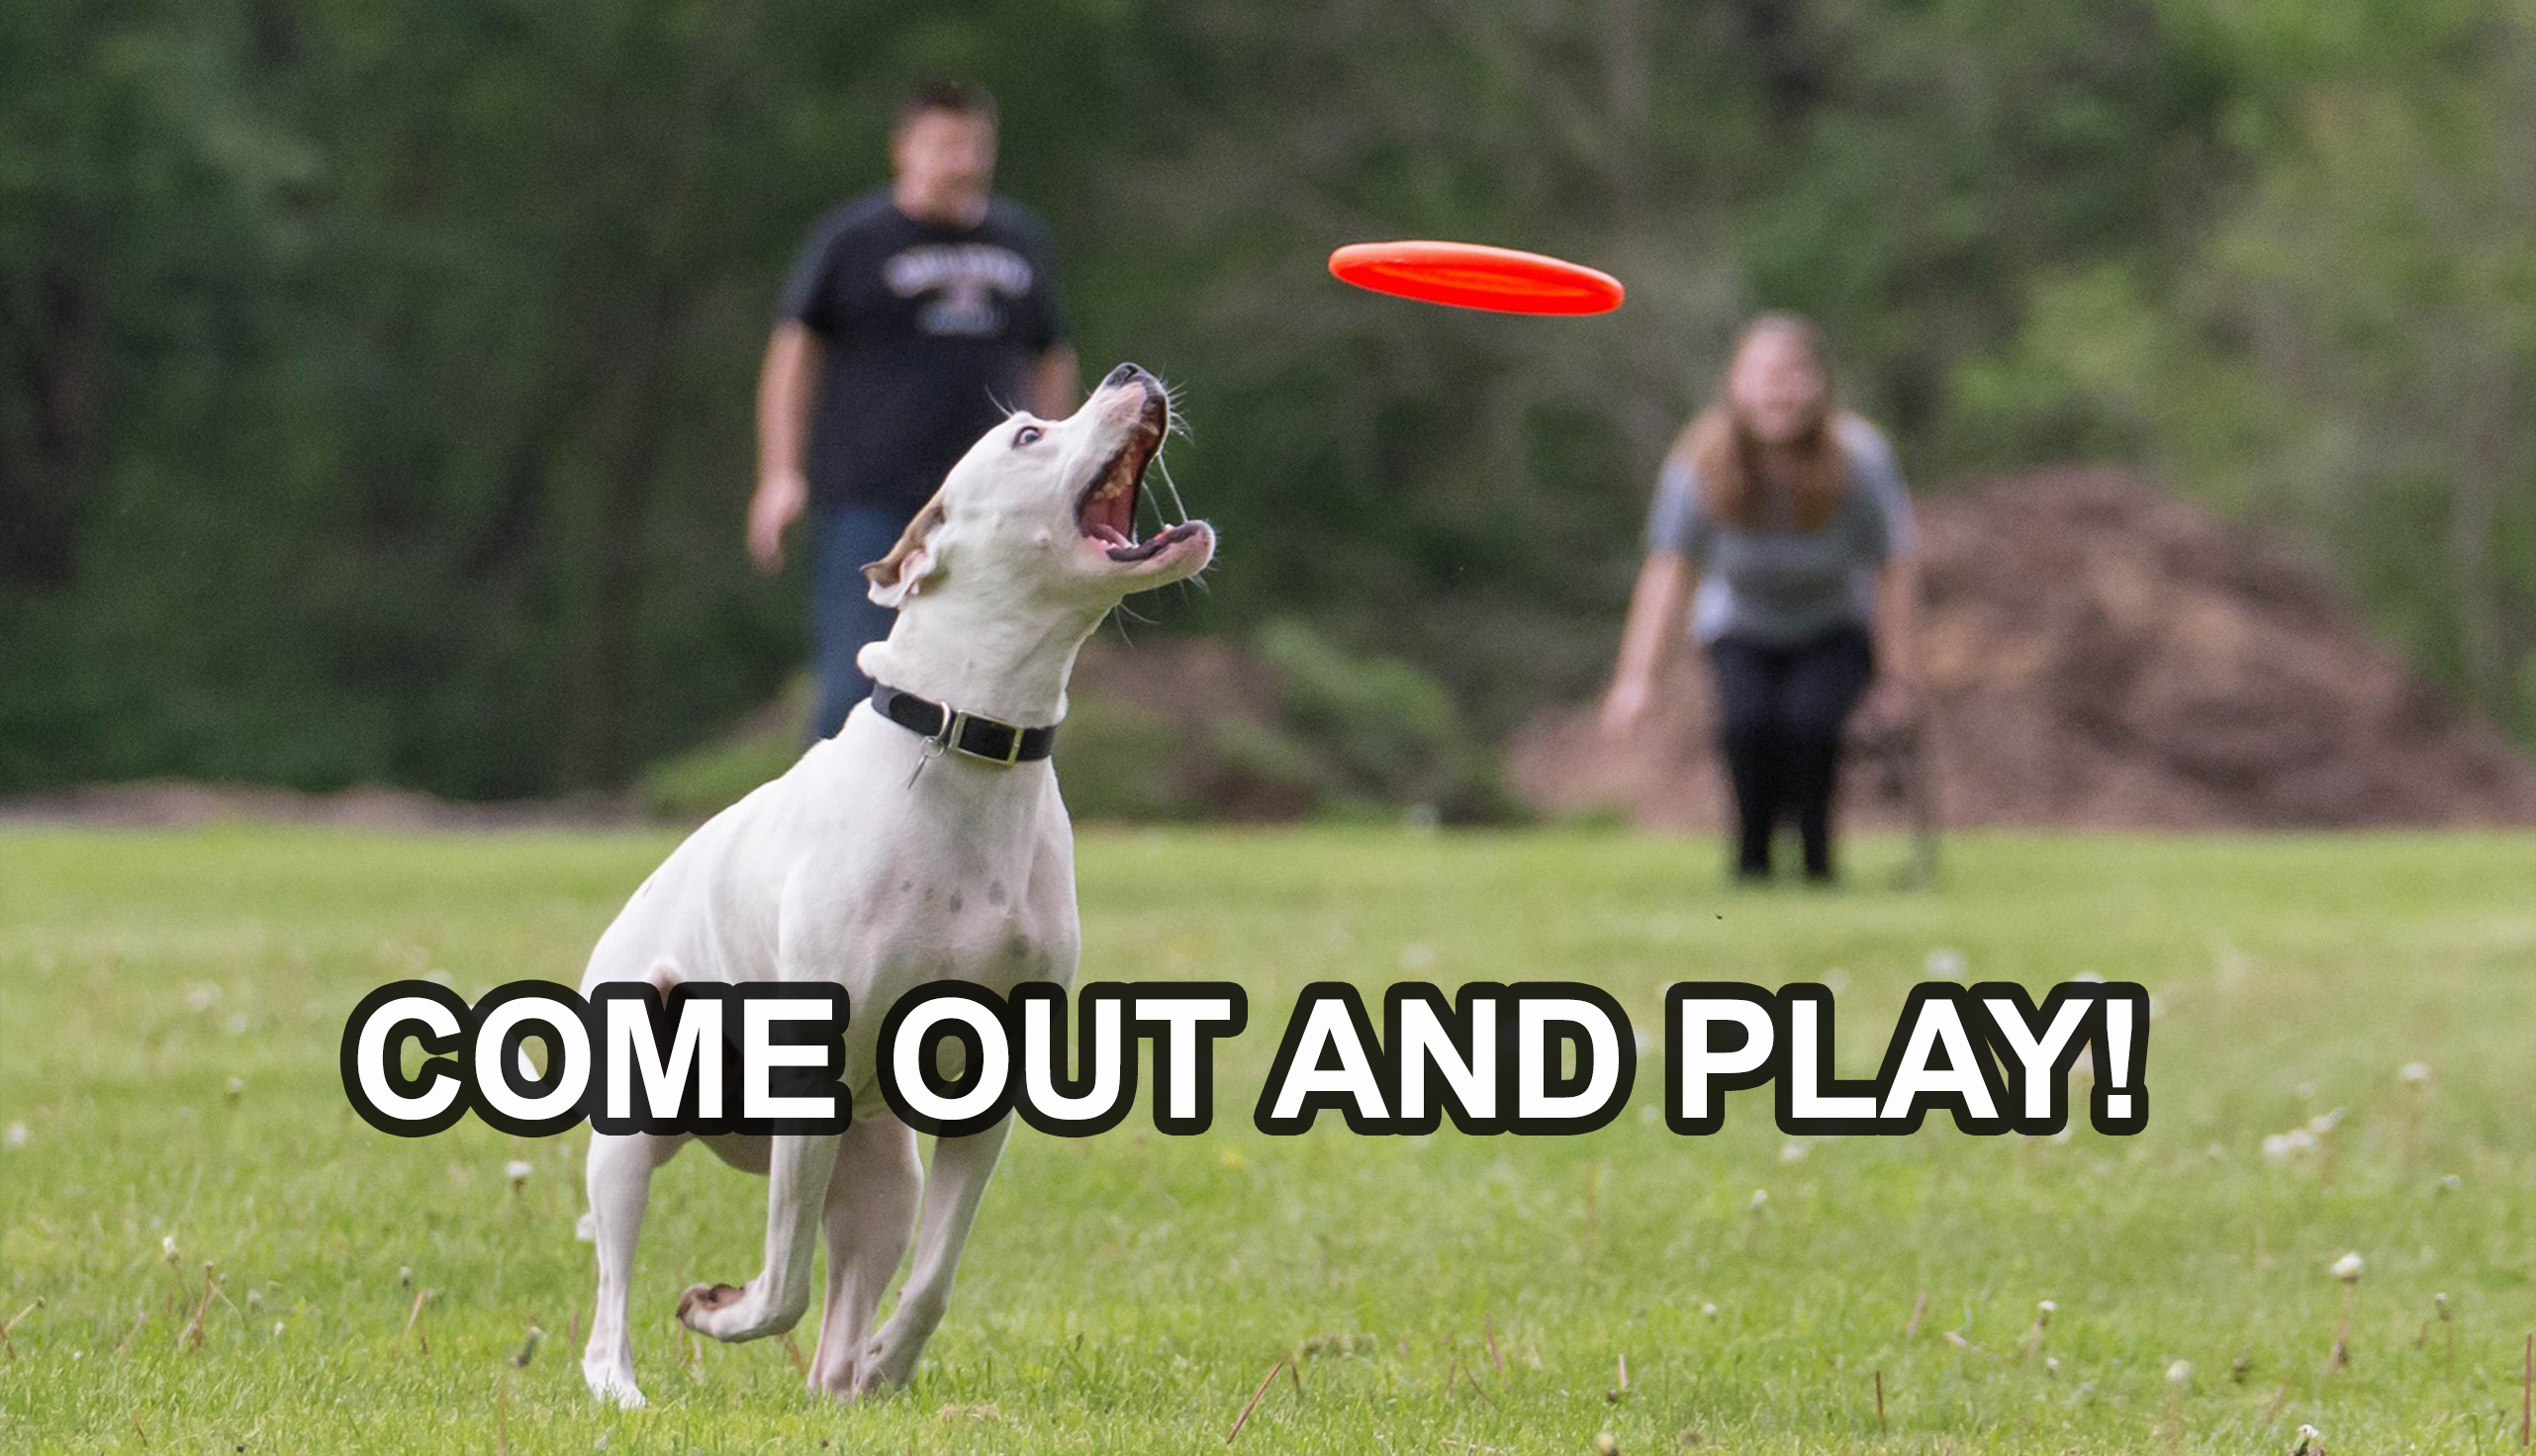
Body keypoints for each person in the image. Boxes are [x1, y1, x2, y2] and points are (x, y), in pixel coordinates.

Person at [748, 80, 1080, 742]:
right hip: (871, 496)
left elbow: (1051, 355)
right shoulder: (855, 240)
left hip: (986, 503)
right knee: (856, 684)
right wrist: (779, 474)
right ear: (904, 150)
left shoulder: (1017, 240)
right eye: (944, 146)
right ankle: (834, 835)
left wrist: (1060, 468)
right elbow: (792, 354)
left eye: (975, 146)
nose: (961, 162)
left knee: (988, 678)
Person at [1599, 314, 1920, 883]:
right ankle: (1752, 864)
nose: (1777, 389)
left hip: (1833, 623)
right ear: (1735, 384)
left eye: (1792, 374)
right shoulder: (1700, 460)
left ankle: (1818, 864)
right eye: (1762, 374)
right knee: (1748, 728)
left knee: (1810, 727)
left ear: (1818, 385)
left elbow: (1893, 567)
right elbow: (1669, 570)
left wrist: (1895, 675)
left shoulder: (1860, 461)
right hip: (1739, 623)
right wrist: (1636, 678)